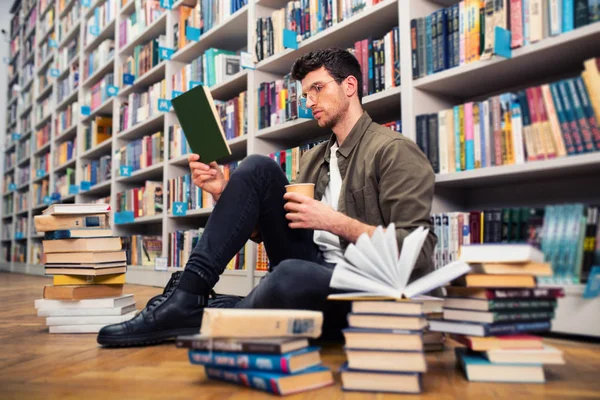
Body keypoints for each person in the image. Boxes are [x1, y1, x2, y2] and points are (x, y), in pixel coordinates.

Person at [97, 48, 437, 347]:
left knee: (288, 276)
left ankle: (199, 311)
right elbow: (271, 232)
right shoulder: (313, 159)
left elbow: (417, 252)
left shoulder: (393, 150)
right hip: (309, 266)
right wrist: (224, 194)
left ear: (349, 86)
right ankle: (189, 295)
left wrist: (334, 222)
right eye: (305, 94)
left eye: (318, 89)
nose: (310, 102)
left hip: (361, 284)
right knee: (258, 167)